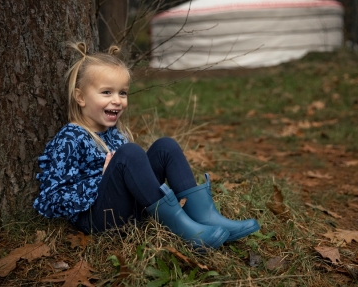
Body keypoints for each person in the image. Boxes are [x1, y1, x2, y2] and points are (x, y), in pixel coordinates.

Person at [33, 42, 259, 250]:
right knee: (130, 152)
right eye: (106, 92)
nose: (117, 100)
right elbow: (52, 197)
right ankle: (186, 230)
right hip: (99, 220)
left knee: (165, 147)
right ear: (80, 97)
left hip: (129, 211)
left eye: (122, 93)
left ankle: (206, 218)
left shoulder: (113, 134)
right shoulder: (71, 137)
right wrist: (100, 180)